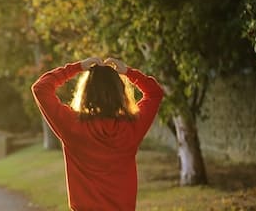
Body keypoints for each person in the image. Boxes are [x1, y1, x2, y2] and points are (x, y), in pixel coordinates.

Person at [32, 56, 164, 211]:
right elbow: (154, 93)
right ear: (120, 92)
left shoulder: (72, 125)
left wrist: (77, 67)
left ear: (86, 92)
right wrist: (128, 72)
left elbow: (41, 88)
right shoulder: (131, 126)